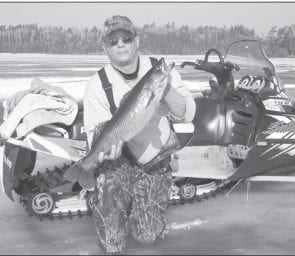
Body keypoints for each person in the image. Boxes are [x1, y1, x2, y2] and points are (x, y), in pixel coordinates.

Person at [83, 15, 196, 254]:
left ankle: (146, 210)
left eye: (126, 38)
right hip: (118, 160)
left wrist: (164, 88)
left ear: (137, 41)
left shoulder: (159, 70)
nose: (121, 44)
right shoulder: (97, 83)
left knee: (147, 236)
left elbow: (186, 114)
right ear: (105, 48)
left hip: (155, 160)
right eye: (113, 41)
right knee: (112, 243)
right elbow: (96, 131)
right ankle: (104, 201)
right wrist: (102, 155)